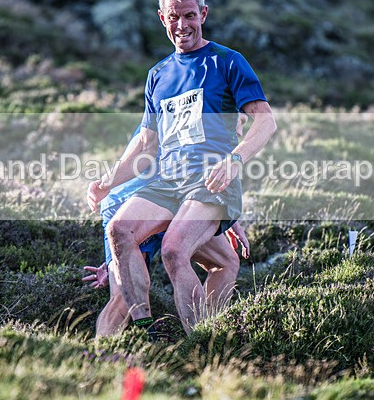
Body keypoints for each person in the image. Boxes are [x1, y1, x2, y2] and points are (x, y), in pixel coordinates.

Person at [87, 0, 276, 334]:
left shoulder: (228, 61)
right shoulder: (157, 75)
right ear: (162, 18)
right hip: (167, 181)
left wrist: (234, 160)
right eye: (174, 17)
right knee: (119, 229)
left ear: (203, 13)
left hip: (210, 179)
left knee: (174, 251)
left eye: (189, 16)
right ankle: (147, 329)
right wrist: (107, 184)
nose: (182, 25)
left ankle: (200, 343)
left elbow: (265, 124)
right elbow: (145, 143)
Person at [82, 129, 251, 337]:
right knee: (122, 298)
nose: (239, 130)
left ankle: (208, 335)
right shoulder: (182, 112)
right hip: (139, 200)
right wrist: (123, 252)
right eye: (238, 121)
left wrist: (229, 220)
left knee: (226, 261)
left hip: (172, 200)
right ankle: (102, 355)